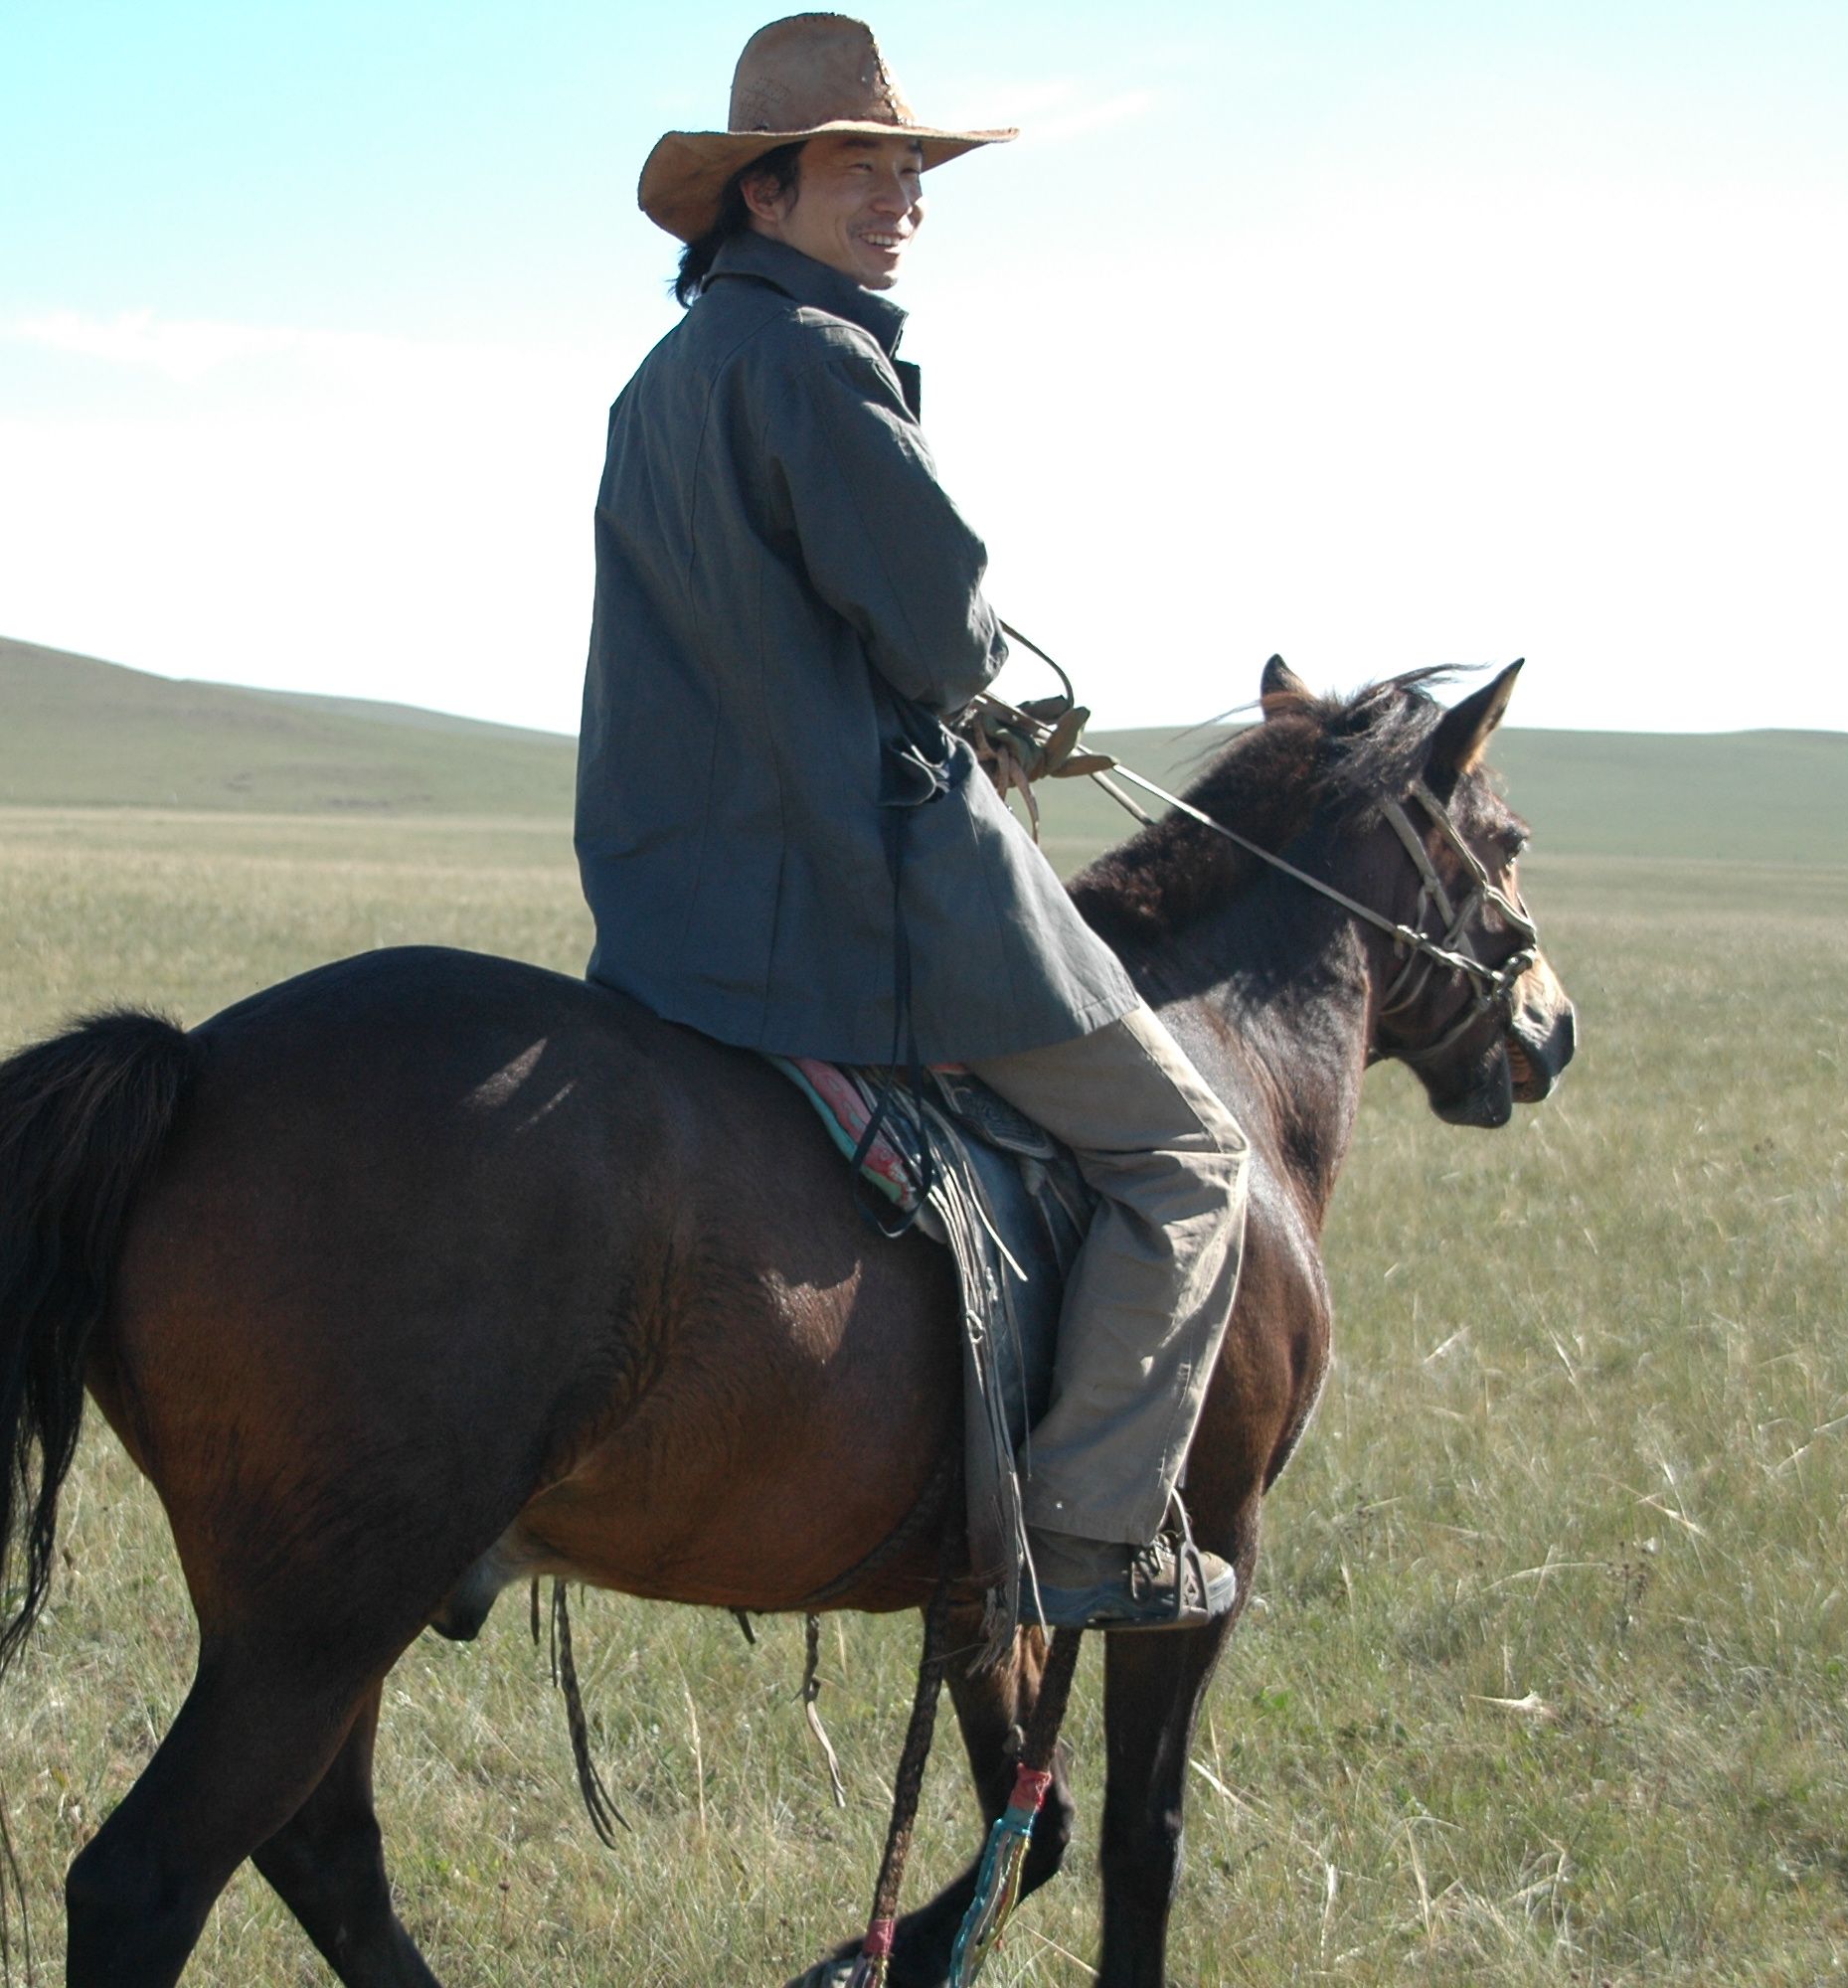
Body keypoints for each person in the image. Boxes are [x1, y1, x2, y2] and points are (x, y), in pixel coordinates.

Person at [577, 13, 1250, 1631]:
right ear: (763, 197)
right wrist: (968, 685)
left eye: (911, 171)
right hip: (866, 892)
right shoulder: (817, 359)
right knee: (1191, 1159)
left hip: (675, 910)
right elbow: (943, 631)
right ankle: (1092, 1534)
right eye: (864, 171)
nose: (903, 199)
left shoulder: (660, 385)